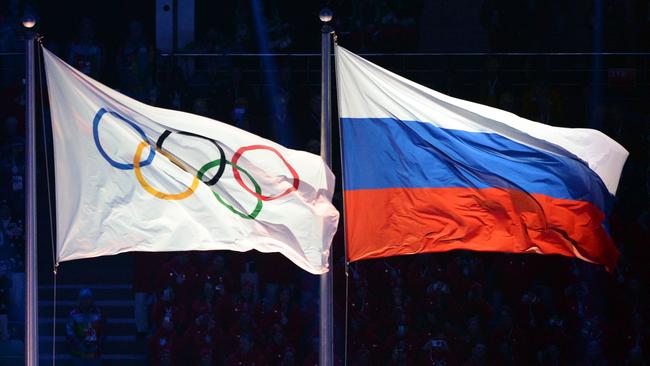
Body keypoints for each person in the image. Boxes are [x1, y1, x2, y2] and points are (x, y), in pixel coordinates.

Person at [66, 288, 106, 365]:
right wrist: (78, 344)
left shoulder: (98, 314)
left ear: (92, 300)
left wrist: (97, 345)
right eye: (84, 299)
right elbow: (69, 332)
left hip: (94, 352)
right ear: (80, 300)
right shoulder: (73, 315)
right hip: (78, 352)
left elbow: (103, 331)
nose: (86, 301)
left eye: (88, 299)